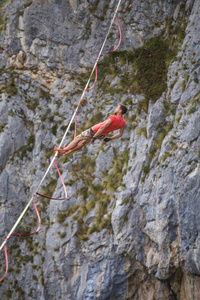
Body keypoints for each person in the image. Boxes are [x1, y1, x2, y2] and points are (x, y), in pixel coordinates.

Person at [55, 103, 128, 156]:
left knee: (78, 138)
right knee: (82, 143)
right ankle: (67, 151)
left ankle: (62, 151)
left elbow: (103, 127)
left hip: (94, 131)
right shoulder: (123, 122)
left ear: (120, 111)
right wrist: (110, 138)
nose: (116, 108)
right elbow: (120, 134)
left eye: (117, 108)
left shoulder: (113, 117)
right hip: (101, 135)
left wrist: (94, 137)